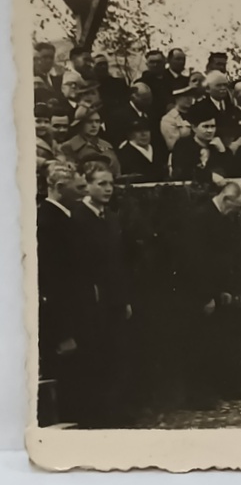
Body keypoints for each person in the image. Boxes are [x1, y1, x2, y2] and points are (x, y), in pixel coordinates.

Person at [174, 180, 241, 409]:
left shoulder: (222, 218)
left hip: (218, 290)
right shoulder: (199, 218)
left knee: (224, 339)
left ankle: (229, 386)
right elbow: (194, 261)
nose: (239, 211)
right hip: (199, 291)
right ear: (227, 199)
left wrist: (226, 289)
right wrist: (205, 295)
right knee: (199, 343)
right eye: (238, 206)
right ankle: (198, 396)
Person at [71, 161, 134, 427]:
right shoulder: (77, 218)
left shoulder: (110, 217)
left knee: (116, 356)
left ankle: (115, 413)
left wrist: (124, 298)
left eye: (111, 183)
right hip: (91, 301)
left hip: (114, 300)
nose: (108, 189)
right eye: (101, 184)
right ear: (87, 185)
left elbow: (117, 262)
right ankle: (96, 417)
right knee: (94, 358)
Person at [36, 161, 87, 425]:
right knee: (68, 380)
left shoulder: (65, 217)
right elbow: (53, 282)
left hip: (75, 311)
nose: (82, 191)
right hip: (63, 317)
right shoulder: (48, 223)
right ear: (58, 187)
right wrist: (64, 331)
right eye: (75, 187)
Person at [170, 101, 231, 185]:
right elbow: (183, 172)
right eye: (205, 126)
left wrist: (223, 152)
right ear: (194, 128)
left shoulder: (218, 144)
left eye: (213, 126)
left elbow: (231, 171)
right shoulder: (183, 146)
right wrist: (210, 176)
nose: (210, 131)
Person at [60, 106, 121, 176]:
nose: (94, 125)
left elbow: (117, 172)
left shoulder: (106, 145)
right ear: (80, 124)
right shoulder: (69, 147)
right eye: (89, 122)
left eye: (97, 121)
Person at [118, 117, 168, 182]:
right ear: (130, 134)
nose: (144, 134)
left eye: (146, 130)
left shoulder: (159, 149)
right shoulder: (125, 154)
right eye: (138, 131)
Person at [161, 85, 199, 151]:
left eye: (190, 95)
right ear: (176, 98)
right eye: (185, 96)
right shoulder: (169, 119)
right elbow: (173, 145)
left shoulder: (197, 114)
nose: (189, 98)